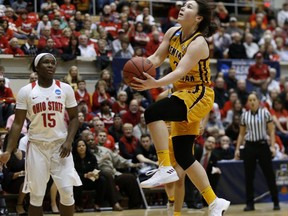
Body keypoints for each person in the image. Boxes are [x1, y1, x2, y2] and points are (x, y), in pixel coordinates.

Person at [130, 1, 230, 214]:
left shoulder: (199, 42)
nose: (183, 8)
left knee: (153, 112)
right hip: (182, 93)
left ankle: (164, 166)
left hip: (198, 93)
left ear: (198, 18)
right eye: (183, 5)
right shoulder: (173, 33)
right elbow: (156, 58)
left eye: (189, 7)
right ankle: (214, 202)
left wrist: (154, 84)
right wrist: (138, 69)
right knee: (185, 156)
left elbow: (179, 71)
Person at [0, 53, 82, 216]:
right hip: (37, 147)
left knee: (66, 191)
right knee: (36, 196)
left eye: (53, 63)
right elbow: (17, 123)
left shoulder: (65, 88)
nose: (51, 65)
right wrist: (9, 150)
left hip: (60, 146)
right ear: (37, 67)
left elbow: (74, 118)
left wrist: (69, 141)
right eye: (46, 62)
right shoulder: (26, 91)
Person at [235, 92, 280, 211]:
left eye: (254, 99)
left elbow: (271, 131)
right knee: (249, 176)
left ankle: (276, 201)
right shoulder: (245, 115)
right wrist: (237, 149)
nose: (252, 102)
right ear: (248, 102)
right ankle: (250, 204)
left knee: (269, 174)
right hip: (249, 147)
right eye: (250, 100)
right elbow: (241, 134)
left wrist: (273, 147)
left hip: (262, 146)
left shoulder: (265, 112)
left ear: (258, 101)